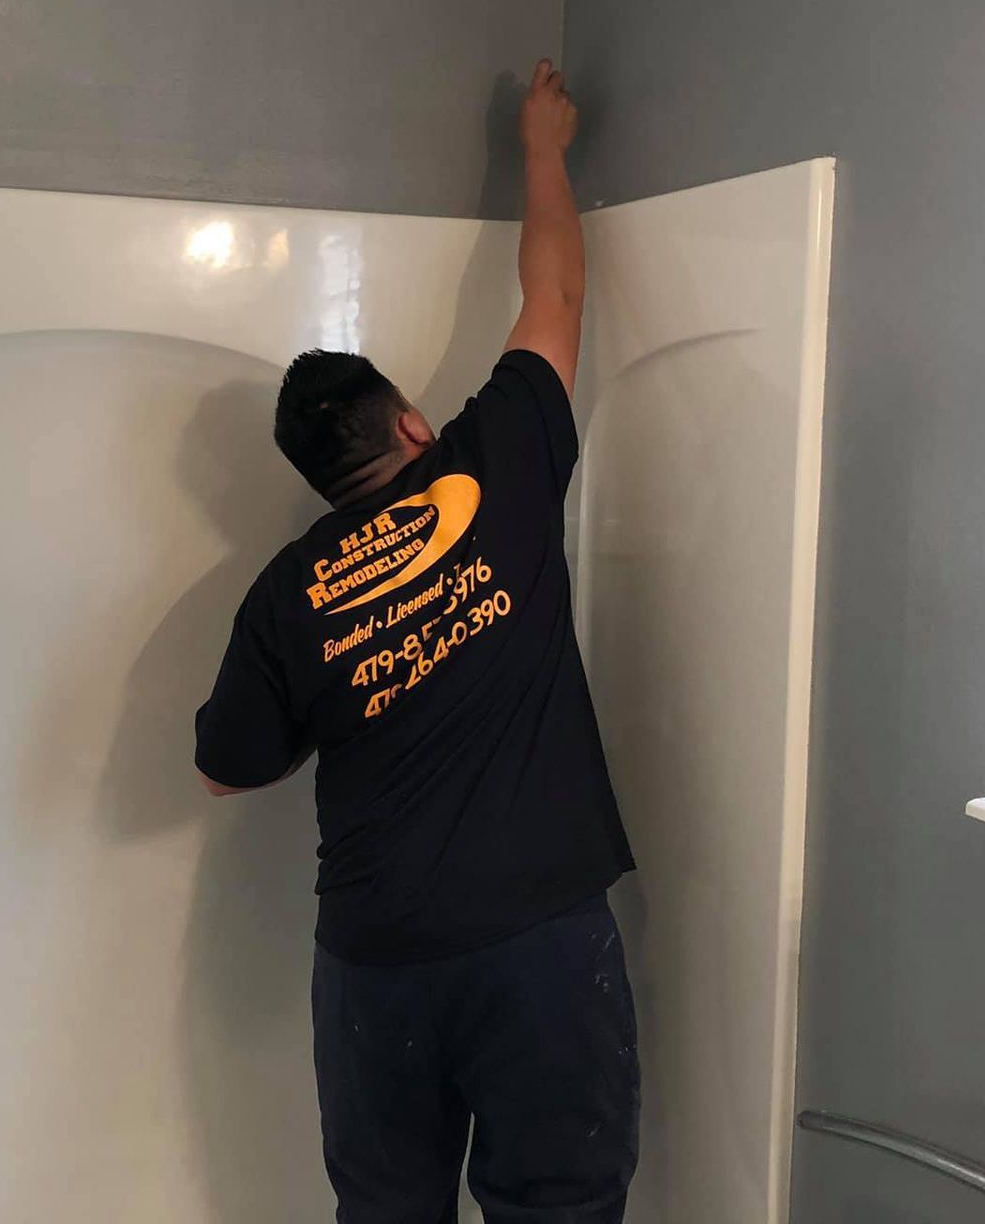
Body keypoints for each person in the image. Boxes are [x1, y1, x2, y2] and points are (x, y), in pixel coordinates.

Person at [194, 59, 638, 1224]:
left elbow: (223, 766)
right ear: (408, 424)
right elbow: (557, 299)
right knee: (561, 1204)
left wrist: (353, 686)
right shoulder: (496, 462)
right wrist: (541, 146)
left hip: (376, 960)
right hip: (537, 940)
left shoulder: (286, 594)